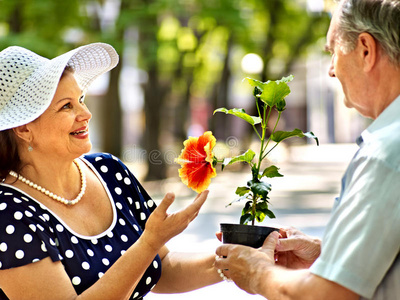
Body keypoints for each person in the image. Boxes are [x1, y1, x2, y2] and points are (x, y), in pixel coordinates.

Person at [0, 43, 221, 299]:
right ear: (24, 129)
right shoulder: (8, 215)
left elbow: (163, 268)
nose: (86, 113)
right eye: (66, 106)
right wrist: (148, 243)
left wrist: (235, 261)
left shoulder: (110, 171)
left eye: (81, 99)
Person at [215, 0, 400, 299]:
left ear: (366, 50)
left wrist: (257, 272)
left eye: (332, 52)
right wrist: (327, 256)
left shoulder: (387, 153)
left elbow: (324, 295)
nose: (331, 70)